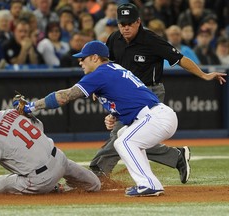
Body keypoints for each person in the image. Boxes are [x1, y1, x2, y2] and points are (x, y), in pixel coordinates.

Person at [13, 40, 224, 196]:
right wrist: (114, 114)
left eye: (83, 59)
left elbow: (65, 96)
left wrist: (33, 106)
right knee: (123, 135)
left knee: (124, 141)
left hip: (155, 116)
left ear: (95, 57)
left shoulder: (100, 72)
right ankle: (156, 176)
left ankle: (150, 184)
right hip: (155, 115)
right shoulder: (114, 69)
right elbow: (130, 96)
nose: (80, 63)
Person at [89, 3, 227, 184]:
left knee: (121, 135)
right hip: (126, 93)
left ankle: (96, 173)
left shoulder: (151, 40)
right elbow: (108, 66)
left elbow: (180, 59)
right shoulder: (114, 39)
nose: (126, 27)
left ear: (138, 22)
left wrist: (203, 74)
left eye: (130, 23)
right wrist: (98, 86)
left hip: (149, 92)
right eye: (122, 24)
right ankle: (176, 156)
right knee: (132, 137)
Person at [0, 91, 101, 197]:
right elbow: (39, 129)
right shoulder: (12, 112)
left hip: (41, 180)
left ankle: (53, 188)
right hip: (60, 160)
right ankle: (56, 186)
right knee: (95, 185)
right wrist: (27, 115)